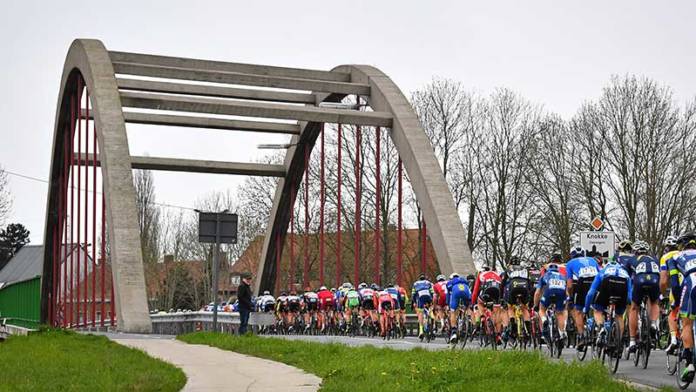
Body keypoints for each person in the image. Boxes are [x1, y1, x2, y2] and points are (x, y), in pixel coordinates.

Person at [584, 256, 632, 345]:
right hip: (623, 284)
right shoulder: (625, 273)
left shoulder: (602, 271)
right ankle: (618, 341)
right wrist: (626, 303)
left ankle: (601, 327)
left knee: (598, 310)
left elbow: (591, 293)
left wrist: (586, 309)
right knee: (619, 315)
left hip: (607, 282)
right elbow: (629, 296)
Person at [626, 240, 660, 353]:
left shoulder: (631, 259)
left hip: (639, 281)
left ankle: (632, 341)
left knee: (634, 307)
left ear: (635, 251)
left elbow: (627, 277)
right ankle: (654, 324)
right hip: (654, 280)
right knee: (654, 302)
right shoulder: (655, 259)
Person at [671, 232, 696, 383]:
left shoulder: (675, 257)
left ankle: (689, 363)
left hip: (692, 284)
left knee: (686, 323)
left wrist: (676, 303)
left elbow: (674, 283)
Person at [565, 246, 599, 350]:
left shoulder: (570, 263)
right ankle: (601, 330)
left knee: (578, 311)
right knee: (598, 308)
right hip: (597, 282)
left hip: (583, 282)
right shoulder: (592, 260)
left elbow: (570, 285)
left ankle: (581, 337)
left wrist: (570, 297)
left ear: (572, 255)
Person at [534, 263, 568, 344]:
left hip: (549, 292)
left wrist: (535, 305)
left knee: (542, 309)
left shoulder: (545, 275)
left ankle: (544, 320)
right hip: (561, 293)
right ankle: (562, 332)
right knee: (560, 313)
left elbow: (537, 293)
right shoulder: (563, 276)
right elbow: (567, 291)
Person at [501, 256, 532, 343]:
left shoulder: (509, 269)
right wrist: (530, 296)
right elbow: (530, 283)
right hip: (524, 286)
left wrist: (501, 297)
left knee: (510, 307)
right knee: (525, 308)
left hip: (513, 286)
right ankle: (528, 330)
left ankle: (513, 325)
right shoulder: (525, 269)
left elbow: (503, 284)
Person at [660, 235, 681, 353]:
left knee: (672, 314)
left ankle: (674, 340)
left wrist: (663, 295)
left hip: (677, 287)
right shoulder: (684, 254)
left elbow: (663, 281)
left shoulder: (666, 257)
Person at [446, 272, 471, 343]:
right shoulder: (464, 280)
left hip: (456, 291)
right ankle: (464, 321)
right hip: (466, 290)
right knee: (466, 306)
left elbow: (448, 295)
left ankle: (454, 331)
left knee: (453, 311)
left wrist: (448, 305)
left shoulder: (450, 282)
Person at [411, 274, 434, 339]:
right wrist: (431, 301)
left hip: (420, 297)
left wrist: (414, 302)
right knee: (430, 307)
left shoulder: (415, 284)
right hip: (428, 296)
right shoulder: (428, 282)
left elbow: (413, 294)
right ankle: (431, 315)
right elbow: (432, 292)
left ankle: (421, 331)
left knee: (420, 312)